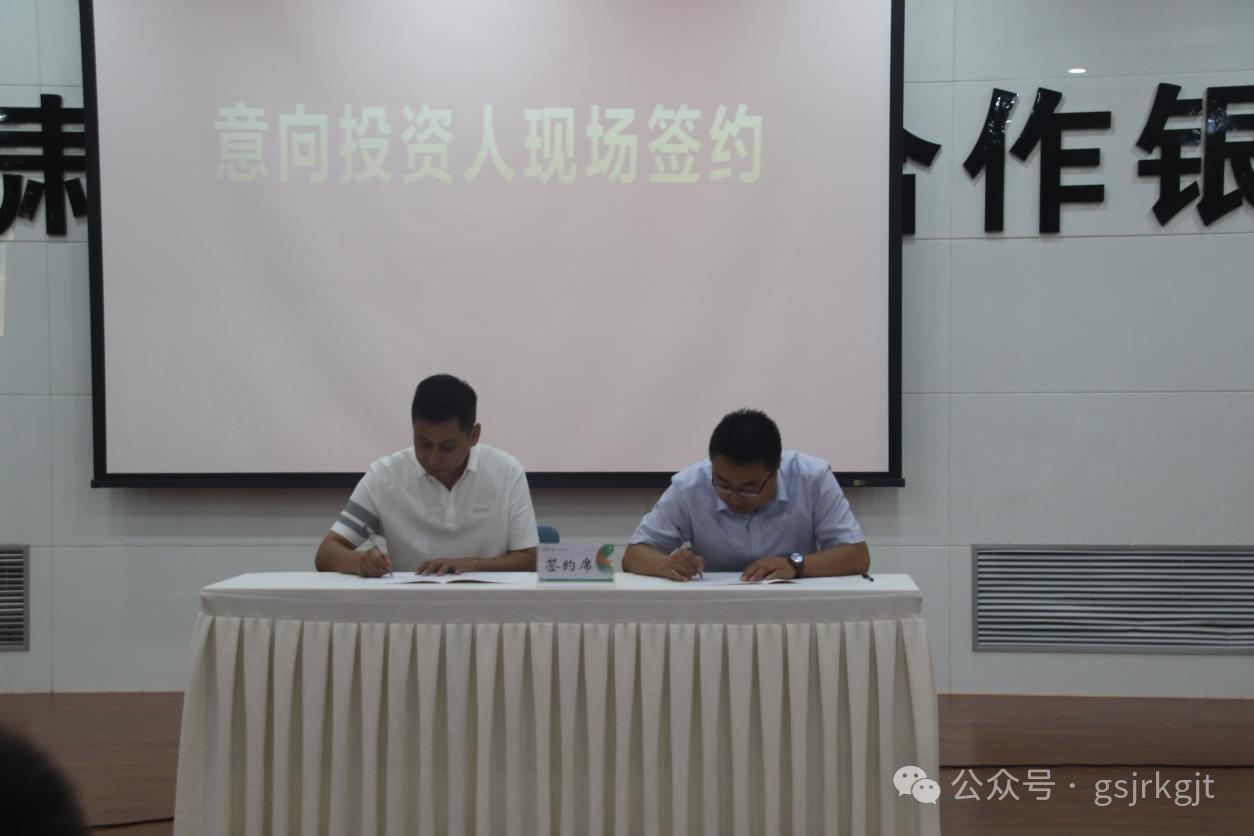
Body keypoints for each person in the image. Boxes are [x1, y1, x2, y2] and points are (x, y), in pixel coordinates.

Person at [315, 374, 539, 576]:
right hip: (408, 605)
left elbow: (530, 558)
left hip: (488, 604)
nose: (433, 458)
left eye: (447, 447)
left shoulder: (507, 472)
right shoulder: (384, 476)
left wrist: (470, 565)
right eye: (423, 444)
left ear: (474, 435)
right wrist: (359, 562)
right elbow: (327, 552)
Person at [622, 409, 870, 581]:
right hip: (713, 611)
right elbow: (634, 555)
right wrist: (666, 565)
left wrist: (795, 564)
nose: (735, 497)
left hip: (793, 608)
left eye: (749, 488)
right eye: (723, 484)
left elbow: (857, 556)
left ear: (776, 469)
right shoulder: (690, 486)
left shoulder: (812, 479)